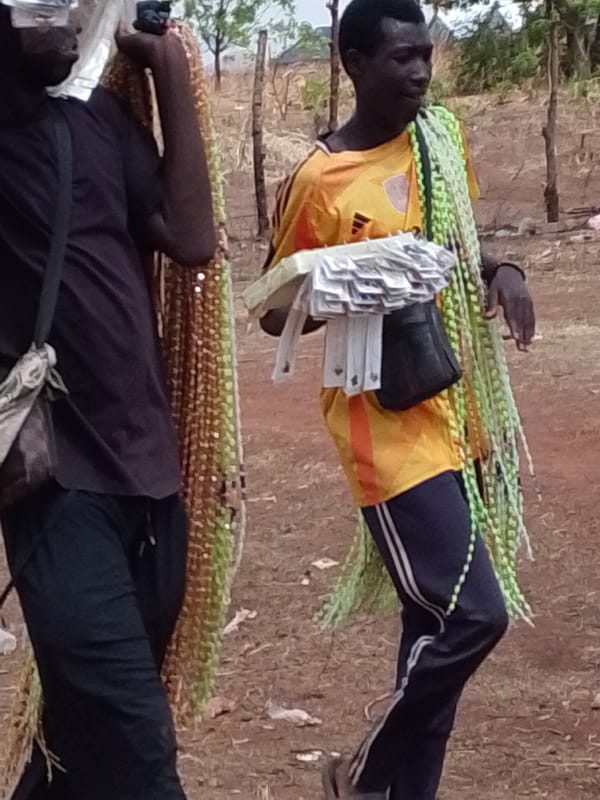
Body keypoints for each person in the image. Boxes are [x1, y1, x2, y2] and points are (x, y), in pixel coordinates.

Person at [260, 1, 536, 798]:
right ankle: (364, 771)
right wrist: (352, 281)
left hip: (459, 415)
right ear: (351, 62)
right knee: (475, 614)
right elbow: (277, 308)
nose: (419, 71)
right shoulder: (320, 179)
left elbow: (463, 240)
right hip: (385, 431)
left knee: (431, 636)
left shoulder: (440, 140)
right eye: (399, 58)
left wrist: (502, 271)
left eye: (425, 55)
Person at [0, 5, 215, 799]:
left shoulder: (98, 123)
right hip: (58, 485)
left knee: (81, 736)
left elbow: (191, 238)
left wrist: (170, 74)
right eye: (36, 9)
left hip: (150, 479)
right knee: (137, 746)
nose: (64, 20)